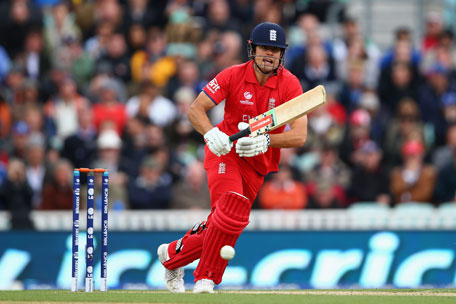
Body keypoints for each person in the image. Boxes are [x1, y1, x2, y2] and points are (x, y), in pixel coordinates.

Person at [157, 22, 308, 293]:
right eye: (264, 48)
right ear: (252, 49)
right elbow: (196, 110)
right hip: (226, 151)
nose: (269, 55)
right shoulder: (233, 75)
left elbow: (300, 136)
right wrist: (210, 134)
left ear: (281, 55)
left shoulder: (290, 84)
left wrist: (265, 140)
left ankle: (173, 255)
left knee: (229, 222)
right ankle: (206, 278)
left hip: (257, 162)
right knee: (230, 209)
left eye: (275, 51)